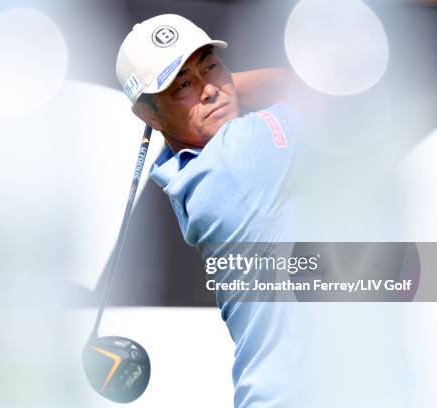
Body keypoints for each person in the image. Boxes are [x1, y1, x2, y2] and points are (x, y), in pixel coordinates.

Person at [116, 13, 304, 407]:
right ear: (148, 115)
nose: (208, 90)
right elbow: (313, 89)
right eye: (183, 84)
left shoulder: (180, 167)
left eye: (211, 67)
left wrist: (199, 89)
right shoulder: (243, 156)